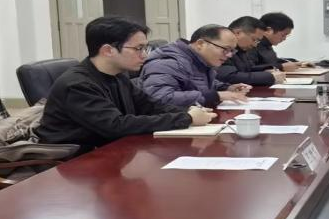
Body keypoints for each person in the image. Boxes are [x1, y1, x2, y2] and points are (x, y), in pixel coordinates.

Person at [37, 16, 214, 151]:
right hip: (75, 163)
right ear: (108, 50)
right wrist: (187, 118)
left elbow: (149, 106)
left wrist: (188, 111)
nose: (145, 55)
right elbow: (116, 126)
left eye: (145, 48)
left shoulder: (118, 75)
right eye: (138, 49)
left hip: (110, 150)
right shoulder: (78, 85)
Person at [139, 24, 253, 109]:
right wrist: (215, 96)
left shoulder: (197, 59)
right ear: (200, 44)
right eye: (226, 49)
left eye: (232, 51)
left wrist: (226, 88)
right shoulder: (168, 63)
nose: (229, 55)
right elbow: (159, 98)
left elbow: (195, 82)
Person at [218, 16, 285, 87]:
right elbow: (229, 77)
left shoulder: (240, 49)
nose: (255, 45)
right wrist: (269, 77)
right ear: (238, 33)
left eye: (258, 41)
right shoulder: (221, 46)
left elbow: (247, 69)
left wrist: (266, 72)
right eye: (254, 39)